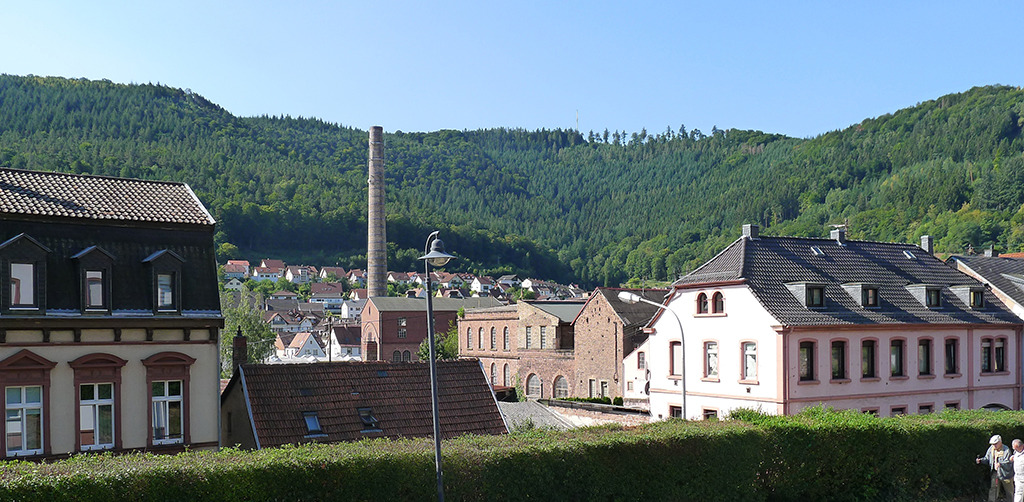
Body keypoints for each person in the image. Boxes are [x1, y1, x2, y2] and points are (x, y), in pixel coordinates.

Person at [978, 434, 1014, 502]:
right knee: (993, 489)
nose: (994, 445)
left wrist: (1000, 464)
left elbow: (1008, 462)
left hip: (1006, 474)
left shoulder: (1006, 450)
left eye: (995, 444)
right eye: (993, 444)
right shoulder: (991, 449)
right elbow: (987, 458)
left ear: (1000, 442)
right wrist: (981, 460)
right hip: (995, 473)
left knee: (1009, 491)